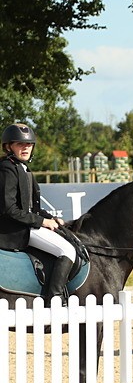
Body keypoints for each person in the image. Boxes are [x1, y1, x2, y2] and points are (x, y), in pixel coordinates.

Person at [0, 123, 76, 301]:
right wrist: (41, 222)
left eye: (28, 144)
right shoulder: (7, 168)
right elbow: (8, 209)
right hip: (15, 230)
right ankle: (55, 299)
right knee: (67, 250)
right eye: (20, 144)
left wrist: (52, 219)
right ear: (8, 146)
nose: (25, 148)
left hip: (25, 223)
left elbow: (32, 208)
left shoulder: (23, 168)